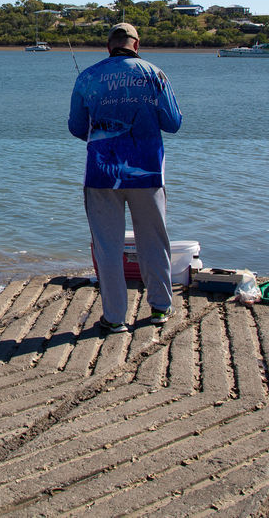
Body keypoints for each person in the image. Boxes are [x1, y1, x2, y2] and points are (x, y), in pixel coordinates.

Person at [68, 23, 182, 332]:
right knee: (154, 241)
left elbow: (77, 127)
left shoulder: (87, 77)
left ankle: (115, 317)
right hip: (147, 172)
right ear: (137, 43)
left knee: (108, 246)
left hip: (101, 174)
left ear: (108, 46)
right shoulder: (155, 74)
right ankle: (160, 307)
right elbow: (173, 123)